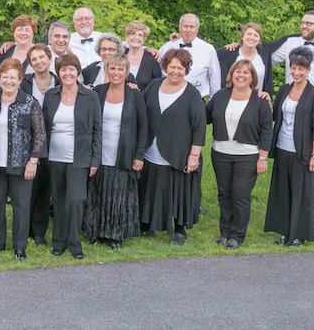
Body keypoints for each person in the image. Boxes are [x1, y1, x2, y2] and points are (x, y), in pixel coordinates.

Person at [139, 48, 206, 245]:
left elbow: (199, 127)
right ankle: (147, 224)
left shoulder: (192, 94)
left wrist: (194, 155)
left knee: (179, 191)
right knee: (150, 188)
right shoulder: (153, 86)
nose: (175, 71)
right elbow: (141, 111)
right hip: (151, 150)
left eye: (180, 67)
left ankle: (179, 229)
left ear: (186, 69)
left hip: (178, 152)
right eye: (172, 67)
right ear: (165, 67)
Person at [0, 59, 45, 259]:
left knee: (21, 206)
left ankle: (20, 246)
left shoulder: (29, 102)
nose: (8, 81)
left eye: (13, 77)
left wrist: (33, 160)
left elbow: (40, 134)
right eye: (5, 77)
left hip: (21, 164)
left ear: (20, 80)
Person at [206, 59, 272, 249]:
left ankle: (237, 235)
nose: (241, 75)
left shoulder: (260, 100)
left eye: (245, 72)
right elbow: (205, 116)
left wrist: (262, 158)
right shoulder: (220, 96)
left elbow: (267, 130)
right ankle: (224, 231)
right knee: (224, 194)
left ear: (252, 77)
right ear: (232, 74)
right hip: (221, 153)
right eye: (237, 71)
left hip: (248, 156)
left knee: (240, 194)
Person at [85, 53, 147, 249]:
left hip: (124, 153)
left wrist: (139, 155)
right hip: (99, 153)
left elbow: (143, 127)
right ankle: (96, 231)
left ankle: (115, 235)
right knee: (97, 193)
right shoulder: (98, 92)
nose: (116, 72)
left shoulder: (135, 94)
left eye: (121, 69)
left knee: (119, 196)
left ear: (127, 72)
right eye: (112, 68)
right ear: (106, 70)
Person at [43, 53, 102, 259]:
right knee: (58, 201)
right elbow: (43, 128)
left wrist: (95, 160)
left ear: (77, 71)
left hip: (80, 158)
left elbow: (97, 130)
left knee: (76, 200)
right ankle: (59, 242)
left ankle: (74, 242)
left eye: (71, 69)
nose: (67, 73)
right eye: (63, 69)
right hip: (54, 158)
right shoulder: (51, 95)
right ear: (58, 73)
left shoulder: (90, 96)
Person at [264, 47, 314, 246]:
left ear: (308, 70)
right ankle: (283, 231)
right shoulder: (284, 89)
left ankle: (298, 234)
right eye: (293, 68)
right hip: (282, 148)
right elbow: (274, 116)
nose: (296, 72)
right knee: (283, 191)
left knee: (301, 193)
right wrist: (264, 101)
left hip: (304, 152)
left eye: (301, 69)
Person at [21, 43, 59, 245]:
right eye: (34, 59)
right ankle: (23, 228)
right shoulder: (25, 83)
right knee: (28, 188)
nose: (38, 62)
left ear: (49, 57)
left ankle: (39, 232)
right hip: (29, 142)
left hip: (55, 141)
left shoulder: (60, 81)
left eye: (41, 57)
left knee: (45, 189)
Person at [271, 10, 314, 90]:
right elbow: (268, 59)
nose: (304, 26)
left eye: (309, 24)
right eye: (302, 23)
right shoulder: (291, 42)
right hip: (291, 98)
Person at [157, 13, 221, 98]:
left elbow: (215, 78)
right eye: (185, 26)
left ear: (197, 29)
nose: (188, 30)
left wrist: (214, 102)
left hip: (197, 99)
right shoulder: (167, 47)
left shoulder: (208, 49)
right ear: (180, 28)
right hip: (170, 97)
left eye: (191, 27)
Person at [216, 23, 275, 97]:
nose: (252, 37)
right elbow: (210, 56)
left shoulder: (265, 53)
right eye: (249, 34)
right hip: (232, 100)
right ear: (242, 37)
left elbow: (268, 82)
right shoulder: (230, 52)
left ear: (259, 40)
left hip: (257, 101)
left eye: (256, 35)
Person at [122, 21, 163, 91]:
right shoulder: (120, 55)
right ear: (127, 36)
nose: (136, 37)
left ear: (144, 39)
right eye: (133, 33)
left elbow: (156, 87)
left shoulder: (152, 60)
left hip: (143, 101)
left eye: (140, 35)